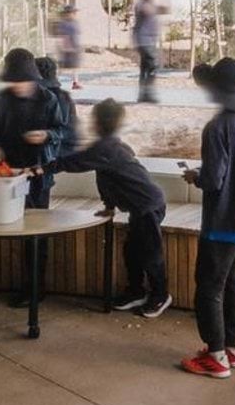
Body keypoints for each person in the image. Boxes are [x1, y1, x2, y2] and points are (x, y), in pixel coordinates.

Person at [180, 57, 235, 378]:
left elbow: (214, 180)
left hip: (221, 222)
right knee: (232, 285)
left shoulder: (216, 129)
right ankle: (233, 347)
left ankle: (215, 356)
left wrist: (194, 177)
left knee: (209, 288)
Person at [57, 97, 169, 315]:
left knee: (150, 253)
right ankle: (136, 291)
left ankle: (160, 295)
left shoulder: (105, 148)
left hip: (147, 205)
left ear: (98, 123)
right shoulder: (110, 146)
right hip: (140, 207)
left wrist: (43, 167)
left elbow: (73, 162)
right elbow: (107, 180)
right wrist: (109, 207)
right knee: (132, 251)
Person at [0, 48, 60, 207]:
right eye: (14, 81)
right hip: (9, 167)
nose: (18, 85)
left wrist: (47, 135)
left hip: (39, 167)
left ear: (34, 79)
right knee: (11, 211)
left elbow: (62, 131)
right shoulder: (3, 98)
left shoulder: (48, 99)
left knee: (37, 217)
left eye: (23, 81)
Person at [36, 53, 79, 159]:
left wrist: (48, 135)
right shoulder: (64, 96)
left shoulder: (60, 99)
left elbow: (66, 131)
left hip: (56, 153)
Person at [131, 0, 163, 103]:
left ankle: (143, 94)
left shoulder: (150, 4)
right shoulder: (142, 4)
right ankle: (148, 93)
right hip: (144, 40)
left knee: (145, 68)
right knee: (153, 65)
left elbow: (166, 8)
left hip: (149, 40)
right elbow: (148, 11)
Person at [51, 1, 83, 90]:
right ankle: (55, 80)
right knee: (63, 66)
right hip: (67, 48)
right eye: (72, 12)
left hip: (74, 47)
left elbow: (77, 35)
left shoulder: (75, 22)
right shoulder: (64, 24)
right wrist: (66, 47)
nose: (74, 14)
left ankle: (75, 82)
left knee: (75, 66)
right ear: (67, 14)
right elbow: (63, 36)